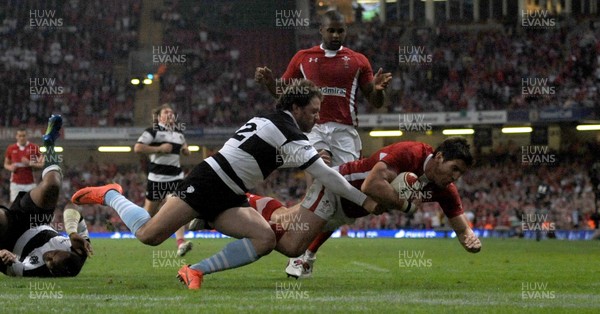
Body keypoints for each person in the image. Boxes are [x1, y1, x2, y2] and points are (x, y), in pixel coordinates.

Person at [71, 80, 381, 290]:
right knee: (149, 235)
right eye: (313, 111)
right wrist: (363, 199)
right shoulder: (287, 130)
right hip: (208, 181)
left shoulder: (275, 122)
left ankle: (195, 270)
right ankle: (111, 194)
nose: (316, 118)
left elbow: (268, 156)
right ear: (297, 109)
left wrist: (311, 156)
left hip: (232, 191)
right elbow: (327, 175)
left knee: (265, 239)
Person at [255, 9, 393, 275]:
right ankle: (295, 250)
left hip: (345, 133)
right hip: (313, 128)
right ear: (321, 30)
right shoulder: (303, 58)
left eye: (340, 31)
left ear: (345, 31)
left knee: (342, 203)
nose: (335, 35)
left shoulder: (358, 61)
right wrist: (270, 82)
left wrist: (378, 92)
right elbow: (283, 93)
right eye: (331, 30)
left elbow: (374, 101)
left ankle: (306, 252)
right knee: (322, 174)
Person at [246, 137, 481, 278]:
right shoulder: (410, 153)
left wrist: (470, 238)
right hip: (338, 188)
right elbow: (371, 185)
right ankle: (244, 206)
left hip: (353, 209)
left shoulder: (444, 187)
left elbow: (461, 227)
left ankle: (249, 208)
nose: (456, 177)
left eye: (460, 173)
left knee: (287, 221)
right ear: (439, 157)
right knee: (292, 244)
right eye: (455, 168)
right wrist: (406, 206)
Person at [0, 115, 92, 277]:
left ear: (51, 271)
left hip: (9, 240)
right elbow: (72, 207)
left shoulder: (33, 269)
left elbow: (9, 267)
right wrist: (72, 232)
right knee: (52, 185)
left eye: (49, 262)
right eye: (54, 255)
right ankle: (49, 143)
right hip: (35, 220)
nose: (49, 257)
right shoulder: (80, 249)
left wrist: (5, 256)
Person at [134, 104, 192, 257]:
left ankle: (181, 243)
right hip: (157, 179)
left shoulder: (179, 133)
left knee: (176, 209)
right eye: (166, 112)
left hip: (176, 179)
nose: (170, 114)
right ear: (159, 117)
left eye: (172, 112)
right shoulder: (152, 131)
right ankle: (139, 232)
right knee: (147, 215)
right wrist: (158, 149)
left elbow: (183, 145)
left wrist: (186, 150)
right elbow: (138, 148)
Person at [4, 127, 44, 204]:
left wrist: (29, 163)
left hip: (30, 183)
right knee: (14, 205)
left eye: (24, 136)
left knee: (30, 206)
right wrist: (10, 167)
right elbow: (6, 164)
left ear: (27, 136)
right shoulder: (11, 148)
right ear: (16, 136)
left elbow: (41, 164)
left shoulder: (34, 147)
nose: (22, 138)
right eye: (20, 136)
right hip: (15, 183)